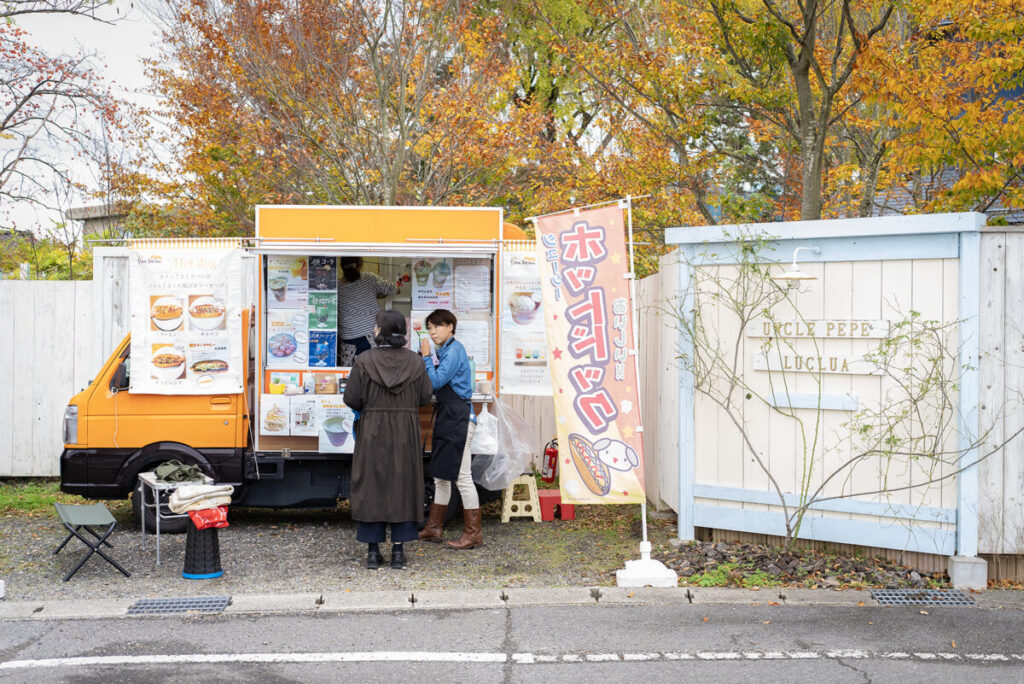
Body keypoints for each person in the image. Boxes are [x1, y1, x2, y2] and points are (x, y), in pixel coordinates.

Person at [343, 310, 433, 569]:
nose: (373, 330)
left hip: (372, 428)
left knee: (372, 484)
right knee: (403, 484)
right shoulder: (416, 362)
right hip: (405, 429)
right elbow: (425, 396)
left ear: (381, 331)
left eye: (375, 326)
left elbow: (351, 398)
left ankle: (372, 552)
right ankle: (398, 553)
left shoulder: (364, 361)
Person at [418, 309, 483, 550]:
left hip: (460, 419)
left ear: (450, 327)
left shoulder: (455, 350)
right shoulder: (442, 351)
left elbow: (435, 381)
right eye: (430, 327)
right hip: (447, 417)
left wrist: (425, 357)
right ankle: (434, 528)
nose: (432, 331)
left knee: (462, 477)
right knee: (440, 476)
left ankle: (473, 533)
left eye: (437, 326)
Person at [337, 257, 398, 360]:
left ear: (341, 266)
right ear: (360, 265)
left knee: (352, 372)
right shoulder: (369, 278)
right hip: (371, 334)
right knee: (373, 370)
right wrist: (398, 288)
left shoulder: (337, 286)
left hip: (348, 337)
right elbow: (392, 289)